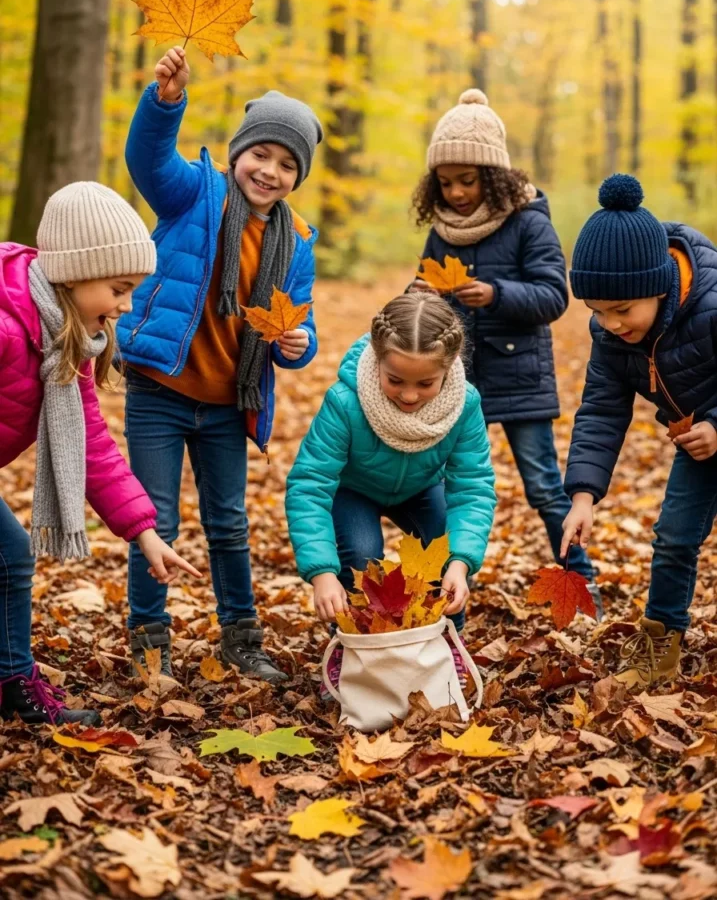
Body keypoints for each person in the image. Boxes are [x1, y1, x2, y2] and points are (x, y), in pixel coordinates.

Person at [117, 46, 322, 683]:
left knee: (229, 523)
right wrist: (166, 102)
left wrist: (299, 344)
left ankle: (241, 634)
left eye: (287, 164)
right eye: (261, 154)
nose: (270, 171)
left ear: (298, 177)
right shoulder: (195, 196)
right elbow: (146, 162)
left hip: (231, 402)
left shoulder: (298, 243)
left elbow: (302, 323)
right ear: (239, 153)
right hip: (161, 390)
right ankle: (150, 642)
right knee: (156, 518)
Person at [0, 182, 201, 726]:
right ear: (75, 273)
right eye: (119, 287)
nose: (127, 304)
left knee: (8, 555)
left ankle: (12, 681)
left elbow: (89, 439)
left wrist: (144, 531)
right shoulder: (7, 326)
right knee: (9, 554)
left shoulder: (66, 337)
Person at [409, 89, 601, 615]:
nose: (457, 193)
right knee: (445, 486)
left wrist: (496, 294)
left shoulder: (529, 221)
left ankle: (581, 586)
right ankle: (446, 593)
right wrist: (419, 297)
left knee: (543, 485)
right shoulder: (441, 233)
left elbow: (554, 296)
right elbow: (421, 290)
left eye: (468, 181)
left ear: (494, 176)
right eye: (446, 184)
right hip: (454, 380)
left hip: (520, 376)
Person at [285, 293, 496, 696]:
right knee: (364, 563)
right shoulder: (346, 402)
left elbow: (473, 486)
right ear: (377, 359)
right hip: (354, 491)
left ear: (449, 367)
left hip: (420, 488)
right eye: (395, 380)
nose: (410, 395)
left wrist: (462, 564)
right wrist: (322, 573)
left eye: (425, 383)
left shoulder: (464, 404)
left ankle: (448, 640)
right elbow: (309, 484)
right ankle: (351, 650)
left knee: (443, 553)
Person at [561, 174, 717, 686]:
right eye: (597, 312)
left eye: (622, 310)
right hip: (698, 447)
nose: (610, 324)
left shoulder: (710, 306)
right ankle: (660, 642)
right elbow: (602, 411)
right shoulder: (613, 337)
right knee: (673, 537)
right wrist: (583, 495)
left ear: (659, 286)